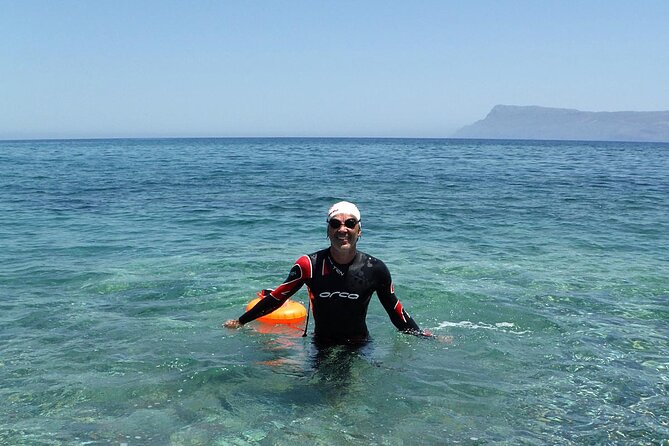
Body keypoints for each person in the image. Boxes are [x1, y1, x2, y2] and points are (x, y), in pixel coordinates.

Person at [224, 201, 435, 344]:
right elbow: (277, 297)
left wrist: (424, 336)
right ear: (328, 231)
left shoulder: (375, 269)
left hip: (360, 344)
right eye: (335, 224)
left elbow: (395, 311)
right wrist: (241, 321)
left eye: (350, 223)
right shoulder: (309, 265)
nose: (342, 229)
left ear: (359, 231)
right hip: (321, 344)